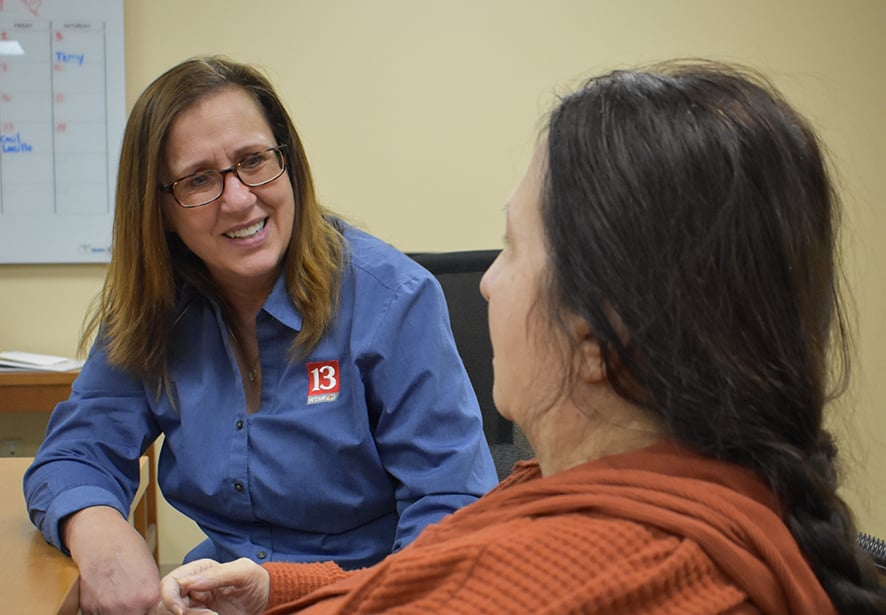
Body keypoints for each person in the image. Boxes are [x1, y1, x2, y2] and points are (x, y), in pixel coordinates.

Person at [158, 60, 886, 615]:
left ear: (600, 333)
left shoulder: (544, 584)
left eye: (510, 247)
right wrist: (275, 585)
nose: (483, 283)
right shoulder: (699, 496)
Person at [23, 56, 498, 614]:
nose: (240, 198)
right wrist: (101, 534)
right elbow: (75, 453)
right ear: (159, 208)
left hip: (372, 597)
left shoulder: (393, 300)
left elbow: (450, 509)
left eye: (254, 161)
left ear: (288, 163)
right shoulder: (154, 307)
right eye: (198, 179)